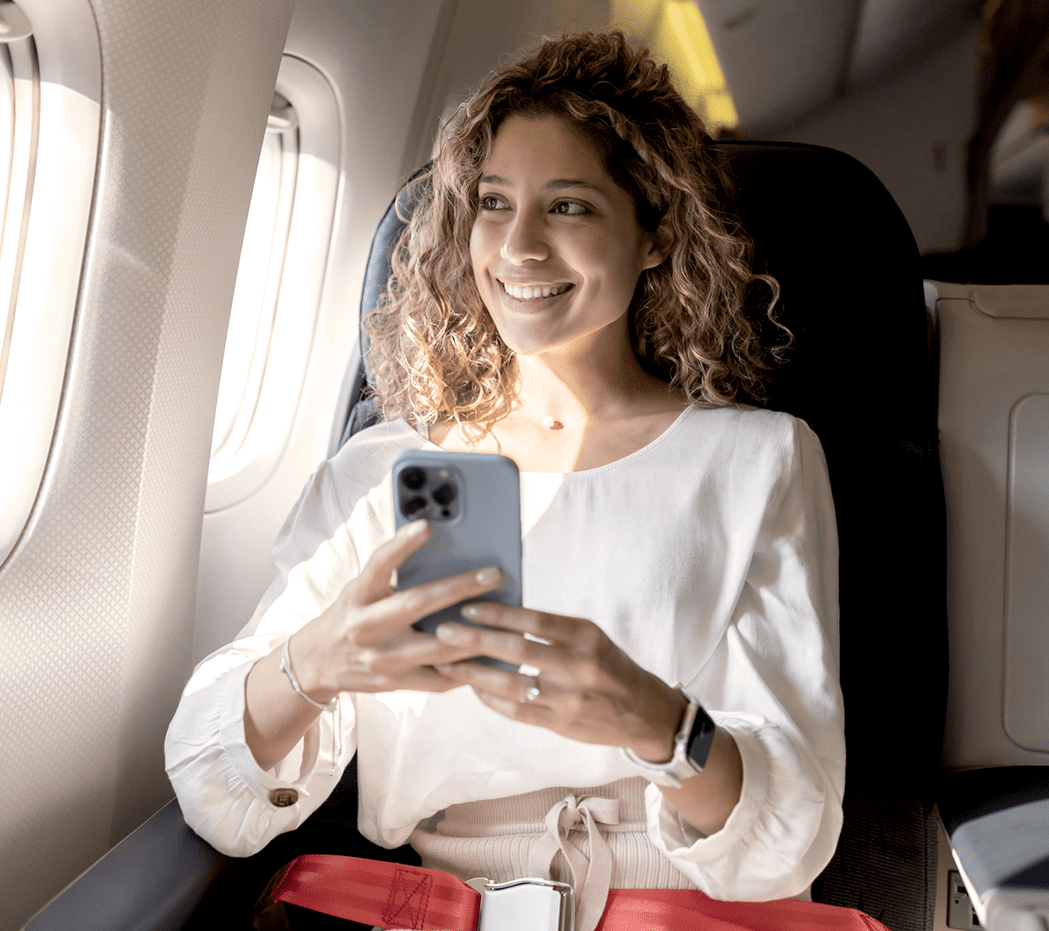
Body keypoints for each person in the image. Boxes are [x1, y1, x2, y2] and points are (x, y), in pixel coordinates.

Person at [166, 30, 844, 931]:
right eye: (494, 202)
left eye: (567, 207)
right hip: (438, 911)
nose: (518, 246)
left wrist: (657, 722)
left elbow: (792, 833)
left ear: (654, 236)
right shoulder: (390, 470)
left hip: (679, 911)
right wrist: (321, 660)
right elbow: (214, 788)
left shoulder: (758, 462)